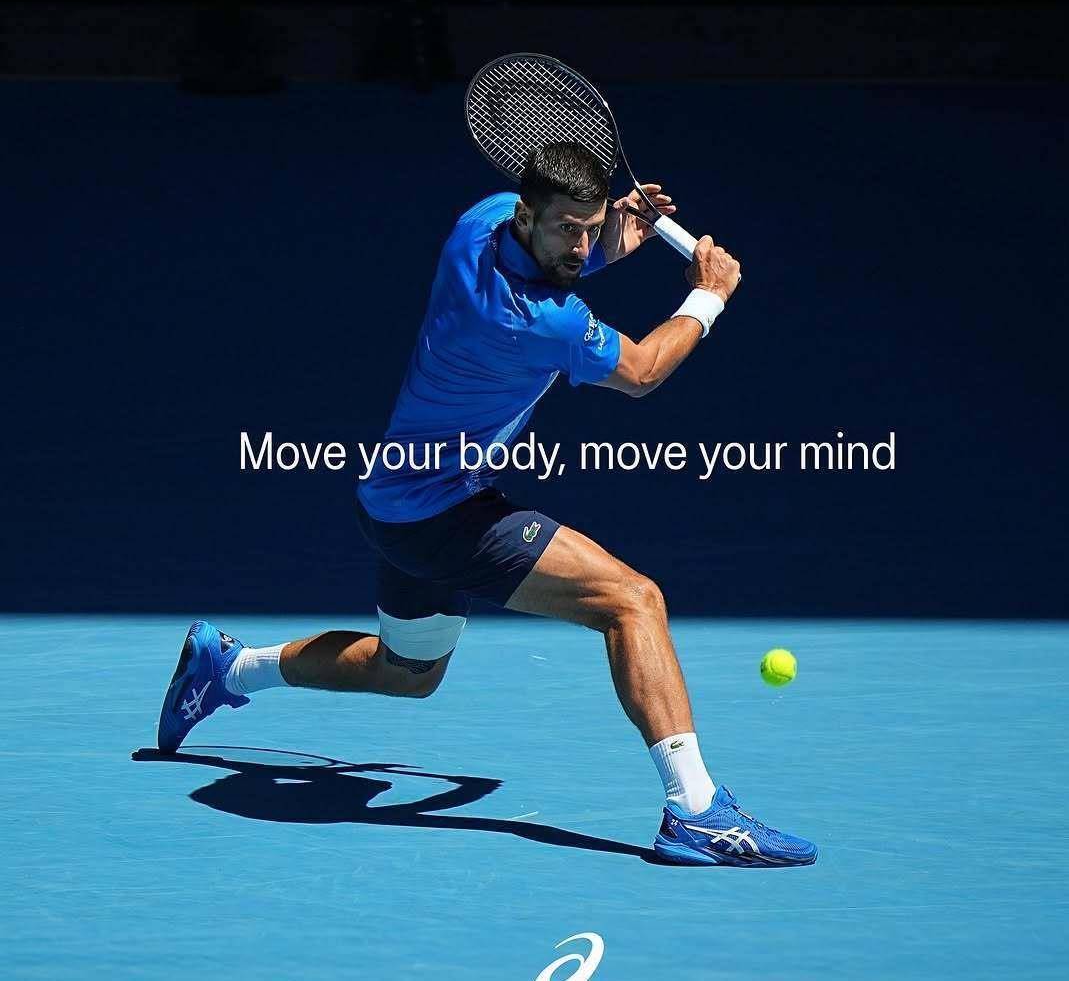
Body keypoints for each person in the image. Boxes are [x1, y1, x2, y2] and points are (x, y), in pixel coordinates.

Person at [157, 141, 817, 867]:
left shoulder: (480, 223)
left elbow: (553, 256)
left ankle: (227, 667)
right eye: (566, 228)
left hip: (392, 502)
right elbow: (642, 370)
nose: (579, 245)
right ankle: (695, 812)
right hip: (442, 514)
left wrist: (605, 242)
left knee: (404, 674)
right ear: (527, 215)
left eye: (587, 227)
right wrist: (709, 294)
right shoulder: (541, 321)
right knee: (632, 601)